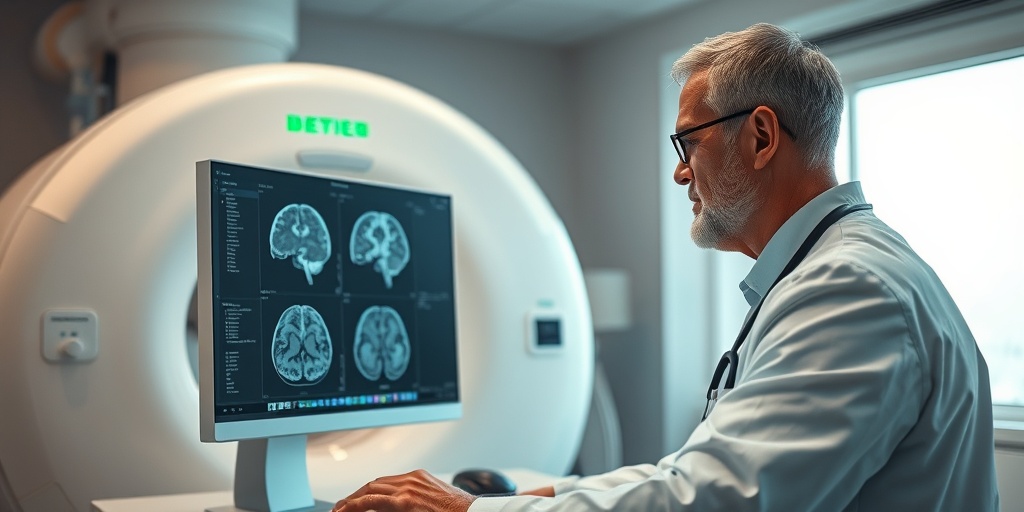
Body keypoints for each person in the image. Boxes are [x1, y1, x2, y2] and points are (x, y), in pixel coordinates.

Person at [332, 22, 1000, 512]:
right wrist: (550, 490)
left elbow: (713, 499)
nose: (680, 170)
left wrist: (470, 511)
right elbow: (698, 472)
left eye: (689, 141)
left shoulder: (850, 290)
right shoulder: (831, 273)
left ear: (762, 136)